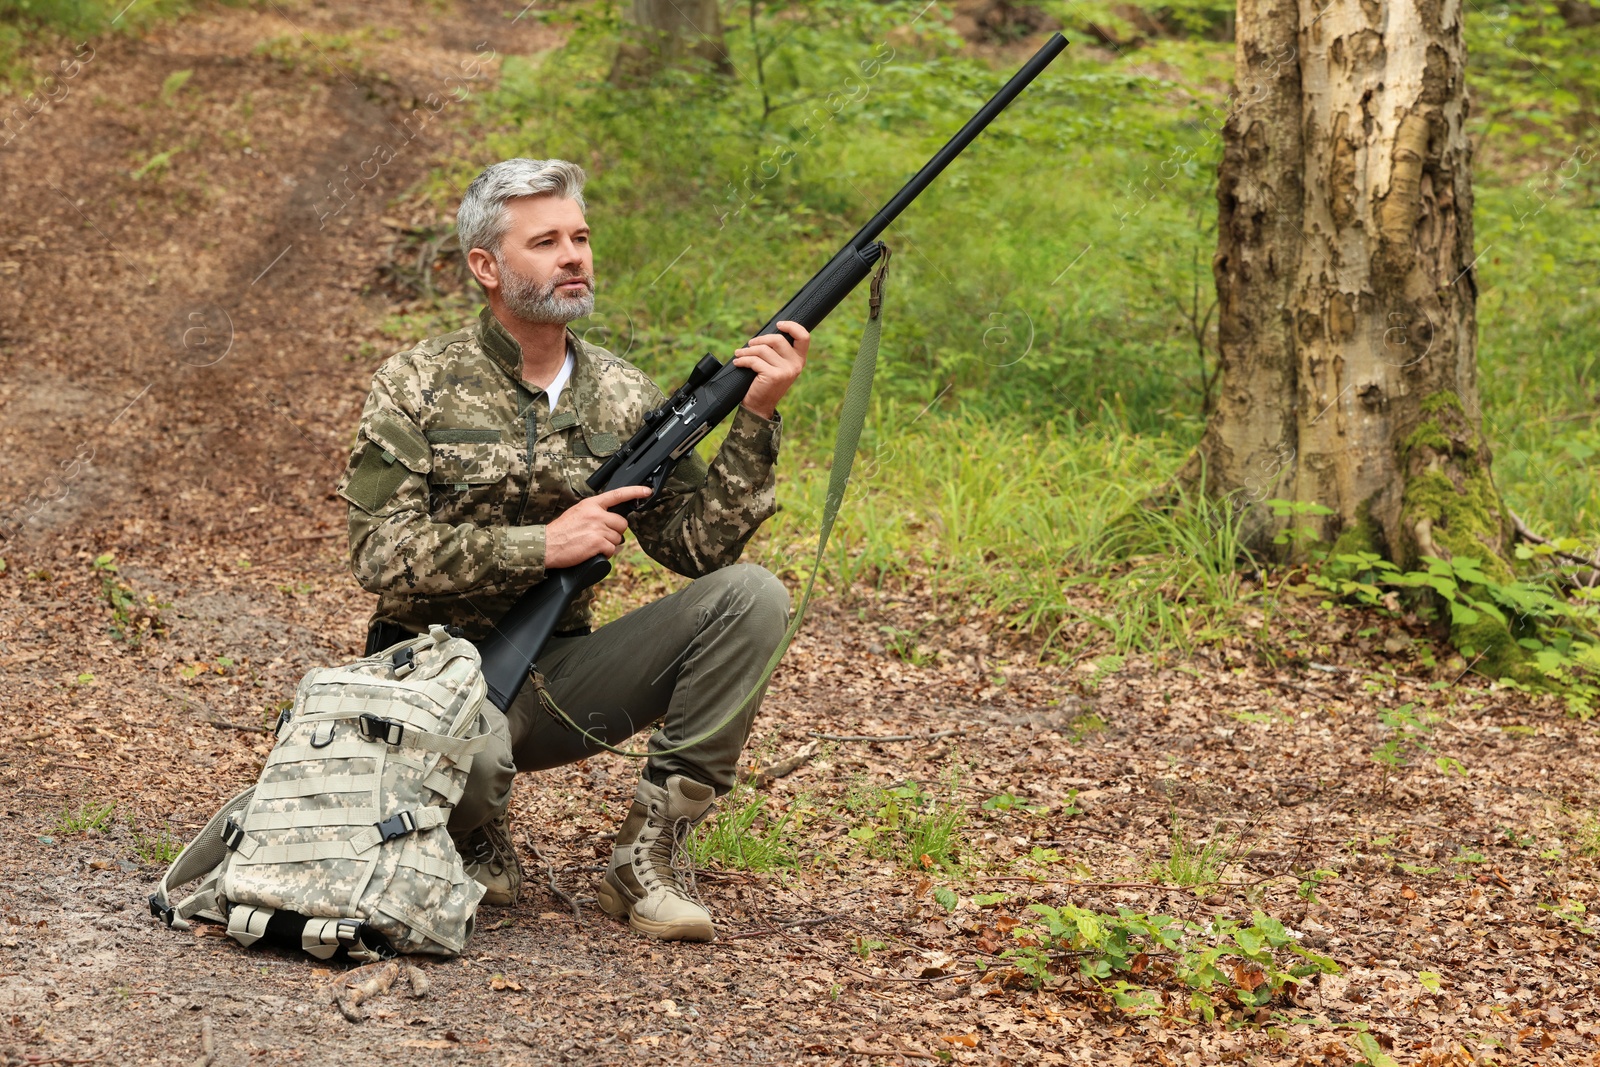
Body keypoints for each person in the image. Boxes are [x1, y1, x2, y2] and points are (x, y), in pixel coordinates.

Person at [336, 157, 805, 942]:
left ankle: (644, 859)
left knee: (752, 595)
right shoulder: (415, 382)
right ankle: (468, 829)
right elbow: (378, 553)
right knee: (474, 763)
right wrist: (543, 545)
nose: (574, 255)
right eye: (546, 240)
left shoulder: (623, 395)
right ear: (486, 266)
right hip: (425, 677)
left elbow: (700, 547)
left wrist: (756, 416)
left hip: (559, 677)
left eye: (580, 237)